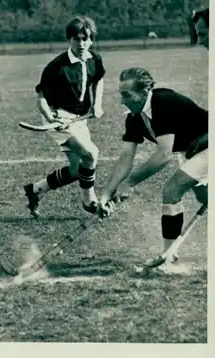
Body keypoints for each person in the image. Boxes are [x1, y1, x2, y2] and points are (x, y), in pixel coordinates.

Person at [99, 67, 208, 270]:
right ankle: (169, 255)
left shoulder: (162, 102)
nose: (122, 101)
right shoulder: (134, 117)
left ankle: (168, 257)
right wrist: (106, 195)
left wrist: (130, 182)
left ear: (144, 92)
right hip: (193, 151)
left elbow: (164, 154)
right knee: (205, 198)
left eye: (126, 95)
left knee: (171, 190)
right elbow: (125, 158)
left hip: (208, 143)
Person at [24, 15, 105, 218]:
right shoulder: (56, 67)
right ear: (69, 39)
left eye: (85, 39)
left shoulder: (94, 59)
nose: (81, 43)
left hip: (79, 119)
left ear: (91, 39)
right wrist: (52, 120)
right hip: (59, 117)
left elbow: (98, 80)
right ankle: (89, 201)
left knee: (78, 170)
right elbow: (40, 99)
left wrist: (97, 104)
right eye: (77, 39)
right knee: (91, 154)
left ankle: (35, 190)